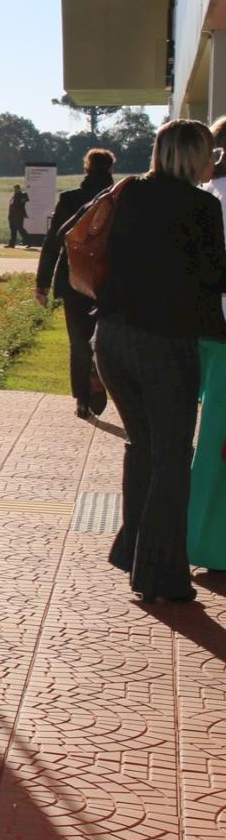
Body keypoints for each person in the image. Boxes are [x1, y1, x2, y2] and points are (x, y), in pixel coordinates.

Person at [90, 119, 226, 604]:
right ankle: (160, 573)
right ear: (194, 156)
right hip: (164, 344)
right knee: (172, 457)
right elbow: (213, 278)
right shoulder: (201, 206)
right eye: (210, 151)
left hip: (110, 337)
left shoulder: (129, 194)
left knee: (143, 445)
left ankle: (134, 549)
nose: (216, 159)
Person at [36, 149, 117, 418]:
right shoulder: (118, 198)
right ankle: (100, 378)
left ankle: (82, 397)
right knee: (107, 339)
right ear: (110, 169)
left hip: (72, 279)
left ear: (86, 169)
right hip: (108, 280)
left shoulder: (70, 199)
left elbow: (53, 243)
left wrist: (42, 283)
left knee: (78, 341)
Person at [192, 120, 226, 574]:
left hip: (212, 334)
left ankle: (207, 539)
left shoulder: (209, 199)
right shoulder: (214, 199)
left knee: (214, 438)